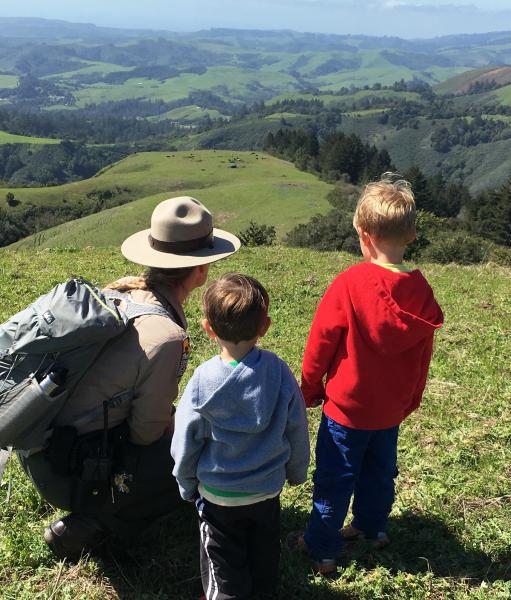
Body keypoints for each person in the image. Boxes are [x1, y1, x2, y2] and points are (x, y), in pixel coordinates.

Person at [18, 195, 241, 559]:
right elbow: (145, 432)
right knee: (197, 453)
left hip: (40, 446)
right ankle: (95, 524)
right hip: (72, 469)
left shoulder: (115, 294)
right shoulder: (167, 336)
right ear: (200, 270)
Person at [289, 173, 444, 574]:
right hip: (391, 409)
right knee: (379, 473)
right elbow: (422, 356)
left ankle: (322, 549)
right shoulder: (421, 291)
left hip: (346, 410)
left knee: (334, 479)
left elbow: (320, 343)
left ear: (363, 233)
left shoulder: (350, 283)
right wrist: (411, 398)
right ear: (411, 235)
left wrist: (309, 388)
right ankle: (373, 529)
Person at [171, 273, 310, 600]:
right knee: (264, 552)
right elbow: (297, 426)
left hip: (219, 496)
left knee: (223, 563)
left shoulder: (203, 381)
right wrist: (297, 471)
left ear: (208, 328)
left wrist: (185, 483)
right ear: (265, 326)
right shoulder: (278, 372)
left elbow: (185, 439)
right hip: (266, 490)